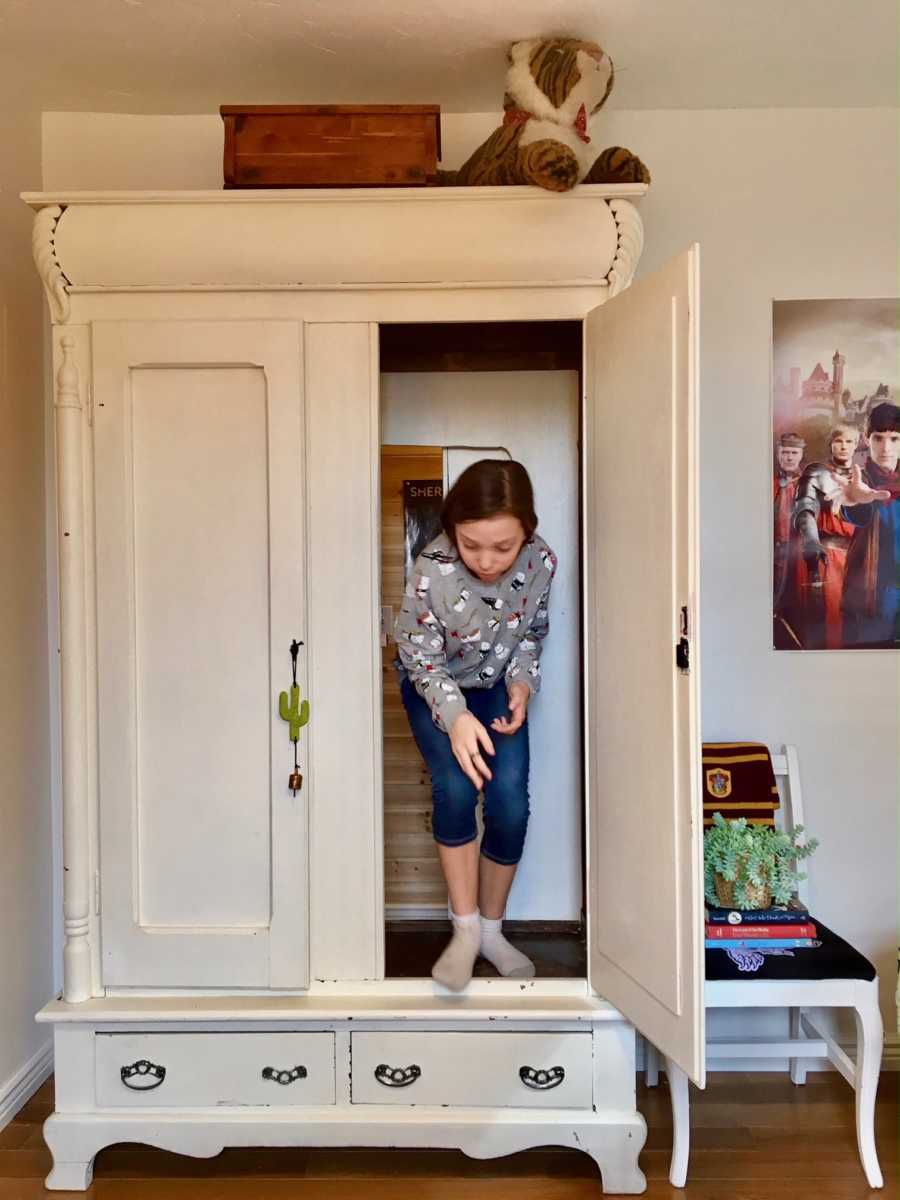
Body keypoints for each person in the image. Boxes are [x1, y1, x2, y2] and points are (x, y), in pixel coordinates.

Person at [394, 459, 557, 991]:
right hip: (433, 687)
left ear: (526, 533)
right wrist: (456, 717)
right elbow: (419, 659)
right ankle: (463, 932)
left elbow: (532, 632)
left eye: (502, 547)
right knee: (457, 790)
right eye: (471, 545)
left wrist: (523, 685)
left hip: (495, 690)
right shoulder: (431, 569)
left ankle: (491, 930)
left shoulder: (542, 563)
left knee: (510, 800)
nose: (486, 561)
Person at [792, 424, 860, 648]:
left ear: (857, 444)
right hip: (828, 556)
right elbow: (805, 509)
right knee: (830, 623)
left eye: (849, 441)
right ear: (831, 444)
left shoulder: (863, 476)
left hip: (859, 556)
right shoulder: (816, 472)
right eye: (838, 441)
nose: (843, 446)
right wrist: (811, 540)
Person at [840, 402, 900, 647]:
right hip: (871, 601)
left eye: (894, 438)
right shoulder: (858, 480)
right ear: (867, 438)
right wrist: (857, 499)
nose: (886, 448)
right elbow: (852, 510)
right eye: (878, 438)